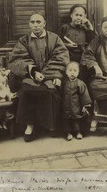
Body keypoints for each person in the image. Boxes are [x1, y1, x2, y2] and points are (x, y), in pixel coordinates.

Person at [9, 12, 70, 142]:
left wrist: (49, 74)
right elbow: (17, 59)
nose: (35, 25)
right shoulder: (23, 41)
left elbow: (61, 57)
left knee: (50, 92)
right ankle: (29, 126)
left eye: (38, 22)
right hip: (30, 75)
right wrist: (34, 71)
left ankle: (51, 125)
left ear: (44, 23)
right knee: (26, 91)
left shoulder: (54, 38)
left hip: (50, 76)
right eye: (33, 22)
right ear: (29, 24)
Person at [57, 4, 97, 81]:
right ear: (71, 15)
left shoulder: (85, 29)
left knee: (83, 77)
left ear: (84, 16)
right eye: (76, 15)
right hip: (68, 57)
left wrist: (90, 27)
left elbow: (94, 42)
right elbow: (56, 43)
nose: (78, 17)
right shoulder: (64, 28)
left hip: (82, 58)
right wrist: (67, 45)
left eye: (81, 15)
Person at [62, 62, 92, 141]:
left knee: (76, 120)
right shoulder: (64, 83)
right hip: (66, 106)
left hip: (76, 106)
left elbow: (84, 95)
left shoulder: (80, 83)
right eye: (70, 70)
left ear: (78, 73)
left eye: (75, 71)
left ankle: (78, 132)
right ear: (66, 72)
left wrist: (85, 105)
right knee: (66, 120)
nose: (72, 72)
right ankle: (68, 133)